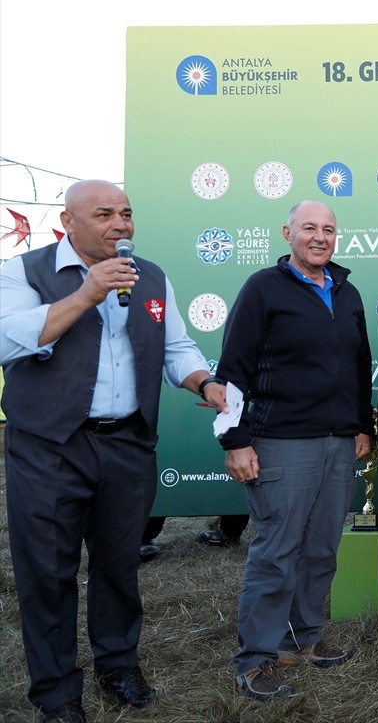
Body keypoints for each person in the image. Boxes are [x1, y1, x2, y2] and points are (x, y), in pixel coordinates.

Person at [0, 179, 227, 722]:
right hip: (49, 447)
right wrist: (86, 293)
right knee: (49, 574)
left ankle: (118, 664)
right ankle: (56, 694)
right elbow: (8, 339)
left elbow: (175, 346)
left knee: (120, 565)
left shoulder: (149, 276)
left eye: (126, 213)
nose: (120, 224)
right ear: (69, 221)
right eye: (104, 214)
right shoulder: (25, 271)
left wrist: (204, 383)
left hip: (126, 443)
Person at [216, 200, 375, 701]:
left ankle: (301, 639)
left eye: (328, 229)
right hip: (280, 440)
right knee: (276, 552)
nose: (320, 237)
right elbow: (233, 369)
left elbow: (358, 367)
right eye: (309, 228)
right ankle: (256, 659)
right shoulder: (263, 288)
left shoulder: (346, 293)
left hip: (338, 442)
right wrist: (235, 439)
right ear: (288, 233)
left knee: (322, 548)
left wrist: (362, 428)